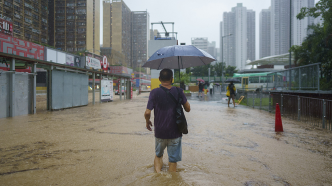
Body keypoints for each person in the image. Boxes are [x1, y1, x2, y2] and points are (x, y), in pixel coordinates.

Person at [144, 69, 191, 173]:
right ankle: (171, 181)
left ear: (159, 79)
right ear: (172, 79)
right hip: (175, 132)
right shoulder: (179, 91)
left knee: (158, 155)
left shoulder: (154, 92)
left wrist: (147, 122)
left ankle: (158, 176)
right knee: (173, 161)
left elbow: (147, 112)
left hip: (160, 132)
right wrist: (181, 95)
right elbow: (188, 109)